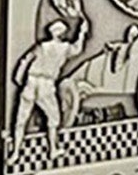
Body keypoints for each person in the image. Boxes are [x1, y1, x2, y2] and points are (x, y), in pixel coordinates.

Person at [10, 12, 89, 151]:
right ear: (61, 33)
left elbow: (26, 59)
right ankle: (53, 149)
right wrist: (82, 33)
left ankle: (15, 152)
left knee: (21, 120)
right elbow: (78, 49)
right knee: (54, 118)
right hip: (45, 85)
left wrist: (18, 77)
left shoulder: (42, 46)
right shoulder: (64, 48)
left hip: (31, 83)